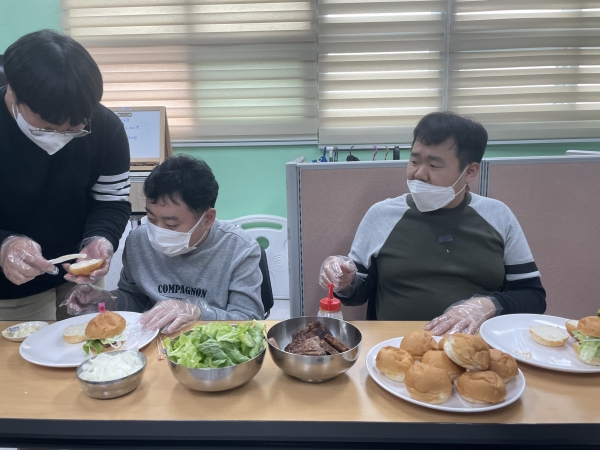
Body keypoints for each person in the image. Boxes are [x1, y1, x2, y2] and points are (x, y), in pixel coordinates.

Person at [319, 112, 546, 334]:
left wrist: (489, 305)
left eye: (434, 165)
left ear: (469, 171)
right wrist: (345, 282)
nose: (419, 174)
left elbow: (533, 296)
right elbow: (358, 294)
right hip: (397, 346)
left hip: (474, 347)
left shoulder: (498, 215)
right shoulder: (381, 215)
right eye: (414, 161)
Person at [0, 30, 131, 321]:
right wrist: (6, 245)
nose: (60, 137)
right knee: (21, 351)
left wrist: (101, 238)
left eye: (74, 130)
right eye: (48, 128)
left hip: (79, 274)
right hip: (9, 286)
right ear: (13, 92)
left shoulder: (106, 127)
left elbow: (111, 201)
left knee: (89, 344)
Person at [63, 154, 264, 333]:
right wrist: (108, 299)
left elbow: (250, 321)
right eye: (151, 219)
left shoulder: (240, 249)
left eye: (171, 224)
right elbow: (134, 299)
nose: (158, 231)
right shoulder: (139, 241)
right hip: (154, 343)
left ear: (208, 218)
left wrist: (197, 312)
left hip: (213, 348)